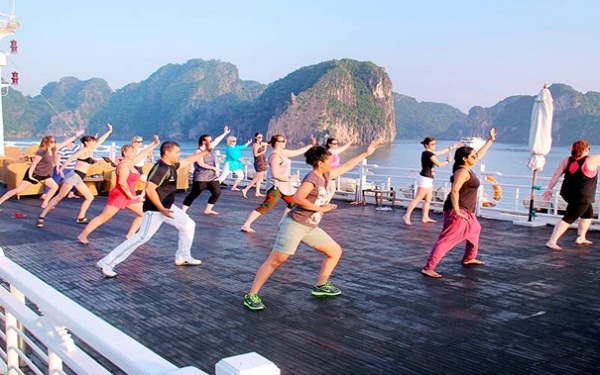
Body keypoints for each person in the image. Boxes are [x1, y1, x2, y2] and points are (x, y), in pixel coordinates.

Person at [243, 140, 383, 311]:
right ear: (320, 162)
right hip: (295, 224)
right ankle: (251, 295)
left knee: (334, 252)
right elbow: (297, 199)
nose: (332, 164)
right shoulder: (312, 178)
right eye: (329, 161)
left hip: (310, 226)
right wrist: (321, 208)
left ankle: (321, 286)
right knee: (276, 260)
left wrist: (366, 153)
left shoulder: (325, 175)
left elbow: (347, 165)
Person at [95, 141, 210, 278]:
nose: (179, 155)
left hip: (166, 207)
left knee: (188, 224)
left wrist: (205, 152)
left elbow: (187, 161)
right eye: (176, 152)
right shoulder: (161, 169)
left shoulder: (171, 165)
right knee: (142, 237)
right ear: (167, 153)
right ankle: (107, 262)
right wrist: (161, 208)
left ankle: (183, 256)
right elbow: (150, 189)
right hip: (155, 209)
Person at [421, 128, 497, 279]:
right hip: (458, 210)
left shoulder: (467, 168)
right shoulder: (462, 172)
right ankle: (429, 267)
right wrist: (457, 210)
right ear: (465, 158)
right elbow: (454, 191)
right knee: (448, 239)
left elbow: (480, 154)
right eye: (473, 156)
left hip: (466, 210)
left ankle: (469, 258)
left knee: (475, 229)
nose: (476, 157)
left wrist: (490, 141)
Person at [76, 135, 160, 244]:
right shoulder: (123, 165)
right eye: (132, 152)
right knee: (103, 218)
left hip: (129, 196)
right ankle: (82, 235)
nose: (134, 154)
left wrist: (155, 143)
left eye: (135, 152)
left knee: (143, 214)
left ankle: (130, 235)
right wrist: (131, 196)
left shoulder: (131, 163)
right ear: (124, 152)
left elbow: (143, 153)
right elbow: (122, 182)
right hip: (120, 195)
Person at [36, 124, 113, 228]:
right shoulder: (83, 151)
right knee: (59, 197)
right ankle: (42, 216)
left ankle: (81, 217)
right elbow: (70, 159)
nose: (94, 142)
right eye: (92, 141)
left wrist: (109, 131)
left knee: (89, 197)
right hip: (74, 176)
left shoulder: (91, 150)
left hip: (78, 178)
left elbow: (100, 140)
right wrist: (61, 169)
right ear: (86, 142)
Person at [240, 134, 316, 234]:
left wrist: (311, 145)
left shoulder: (283, 153)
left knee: (293, 203)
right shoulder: (274, 156)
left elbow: (297, 152)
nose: (285, 142)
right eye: (283, 141)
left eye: (285, 140)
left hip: (285, 187)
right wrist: (290, 179)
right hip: (275, 187)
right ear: (276, 143)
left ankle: (282, 224)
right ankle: (246, 225)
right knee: (266, 206)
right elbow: (275, 174)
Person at [0, 130, 84, 211]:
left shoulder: (53, 150)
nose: (54, 143)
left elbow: (65, 143)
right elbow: (34, 164)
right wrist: (30, 176)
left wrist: (76, 136)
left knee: (54, 187)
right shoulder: (41, 152)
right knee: (18, 190)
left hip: (45, 175)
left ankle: (45, 204)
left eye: (54, 141)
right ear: (47, 142)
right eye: (52, 142)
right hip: (35, 174)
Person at [543, 140, 600, 250]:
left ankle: (581, 237)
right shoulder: (591, 160)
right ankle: (552, 241)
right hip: (582, 196)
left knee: (588, 214)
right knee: (569, 218)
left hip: (568, 193)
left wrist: (549, 189)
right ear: (586, 149)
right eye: (588, 148)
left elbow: (556, 175)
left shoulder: (567, 160)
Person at [403, 138, 461, 225]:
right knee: (418, 198)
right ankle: (407, 215)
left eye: (435, 144)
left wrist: (453, 147)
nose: (435, 145)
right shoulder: (428, 154)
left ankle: (425, 217)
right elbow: (439, 164)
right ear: (426, 145)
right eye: (432, 144)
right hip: (425, 178)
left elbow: (440, 152)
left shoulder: (428, 153)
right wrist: (448, 161)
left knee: (428, 199)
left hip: (428, 179)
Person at [182, 126, 230, 215]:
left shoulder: (209, 148)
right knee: (194, 193)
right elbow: (200, 164)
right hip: (201, 176)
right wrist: (213, 168)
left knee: (217, 192)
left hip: (211, 176)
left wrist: (225, 133)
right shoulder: (198, 151)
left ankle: (208, 209)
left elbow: (217, 140)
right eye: (209, 141)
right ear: (203, 141)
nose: (211, 142)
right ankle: (183, 211)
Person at [324, 137, 353, 202]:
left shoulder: (334, 152)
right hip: (329, 173)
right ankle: (323, 204)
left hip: (333, 173)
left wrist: (351, 140)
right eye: (334, 144)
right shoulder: (328, 153)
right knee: (331, 190)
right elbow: (325, 163)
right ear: (329, 144)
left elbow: (344, 147)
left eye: (337, 143)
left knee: (330, 190)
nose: (336, 145)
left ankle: (323, 203)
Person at [242, 132, 268, 198]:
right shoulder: (255, 145)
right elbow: (255, 155)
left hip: (262, 161)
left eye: (261, 137)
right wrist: (264, 151)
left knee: (259, 178)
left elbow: (269, 143)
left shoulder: (260, 144)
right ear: (255, 137)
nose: (260, 139)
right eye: (259, 137)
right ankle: (245, 189)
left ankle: (257, 192)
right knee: (257, 178)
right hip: (259, 162)